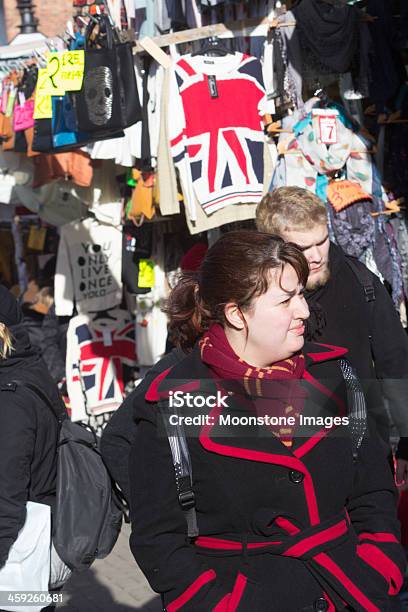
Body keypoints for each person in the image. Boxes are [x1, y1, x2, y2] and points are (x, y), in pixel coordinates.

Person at [128, 231, 405, 611]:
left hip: (352, 591)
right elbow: (158, 538)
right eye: (285, 300)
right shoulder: (175, 401)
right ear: (235, 313)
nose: (304, 311)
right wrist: (217, 604)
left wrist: (381, 564)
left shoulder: (336, 373)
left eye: (302, 294)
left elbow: (373, 489)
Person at [256, 186, 408, 487]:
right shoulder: (254, 296)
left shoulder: (362, 283)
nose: (314, 256)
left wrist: (406, 443)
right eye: (301, 248)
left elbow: (397, 367)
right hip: (284, 465)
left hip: (363, 461)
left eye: (321, 241)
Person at [0, 285, 69, 611]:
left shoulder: (11, 398)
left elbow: (6, 500)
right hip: (40, 552)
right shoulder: (31, 369)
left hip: (18, 560)